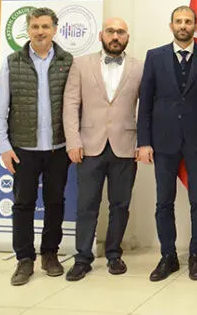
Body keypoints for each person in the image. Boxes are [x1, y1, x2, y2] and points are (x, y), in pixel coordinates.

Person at [0, 7, 73, 286]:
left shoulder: (67, 61)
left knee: (55, 202)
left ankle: (50, 254)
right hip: (23, 149)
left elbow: (75, 104)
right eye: (35, 26)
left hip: (58, 148)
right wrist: (4, 147)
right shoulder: (12, 62)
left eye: (45, 26)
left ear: (54, 30)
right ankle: (24, 259)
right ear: (28, 30)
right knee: (23, 204)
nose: (40, 32)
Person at [137, 6, 197, 282]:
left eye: (188, 21)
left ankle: (196, 256)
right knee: (164, 202)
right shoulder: (155, 56)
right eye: (178, 21)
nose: (183, 25)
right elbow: (145, 102)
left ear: (196, 25)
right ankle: (168, 256)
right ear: (171, 25)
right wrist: (144, 142)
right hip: (163, 141)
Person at [62, 17, 143, 281]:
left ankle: (114, 254)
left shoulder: (139, 67)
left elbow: (147, 108)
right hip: (88, 146)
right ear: (101, 35)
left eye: (121, 32)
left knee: (120, 204)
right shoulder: (80, 64)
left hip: (125, 146)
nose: (115, 36)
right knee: (86, 205)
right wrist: (73, 141)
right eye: (110, 31)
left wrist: (143, 142)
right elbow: (70, 104)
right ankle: (82, 258)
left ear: (127, 36)